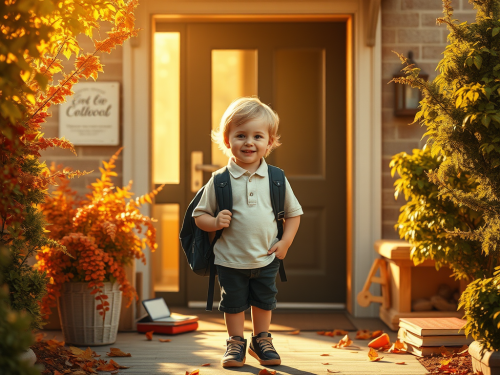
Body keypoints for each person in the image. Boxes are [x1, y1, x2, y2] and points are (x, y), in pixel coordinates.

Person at [193, 97, 303, 368]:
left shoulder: (276, 178)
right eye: (240, 135)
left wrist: (285, 243)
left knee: (264, 301)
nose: (249, 142)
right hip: (229, 258)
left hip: (266, 256)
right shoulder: (219, 180)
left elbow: (294, 214)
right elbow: (199, 216)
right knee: (233, 304)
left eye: (257, 136)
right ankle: (235, 342)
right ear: (227, 140)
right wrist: (215, 221)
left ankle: (261, 339)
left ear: (270, 141)